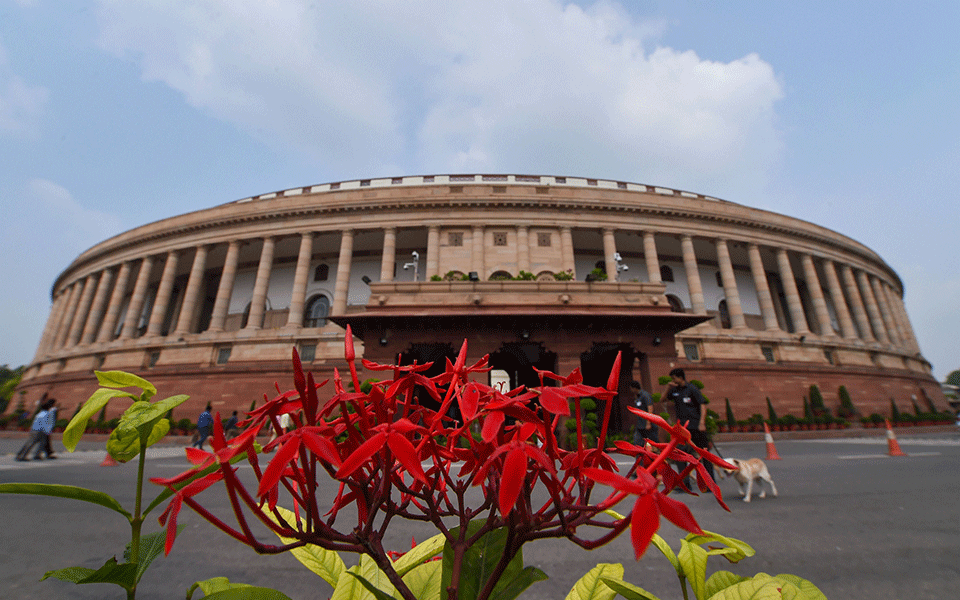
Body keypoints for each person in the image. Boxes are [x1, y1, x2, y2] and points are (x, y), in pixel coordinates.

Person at [664, 368, 714, 481]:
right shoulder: (674, 390)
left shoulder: (692, 389)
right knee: (680, 454)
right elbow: (663, 399)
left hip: (696, 426)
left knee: (704, 454)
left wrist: (702, 423)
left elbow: (702, 405)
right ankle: (684, 483)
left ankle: (710, 483)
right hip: (682, 428)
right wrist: (668, 387)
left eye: (674, 378)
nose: (673, 380)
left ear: (680, 377)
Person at [630, 381, 656, 445]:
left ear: (634, 388)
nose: (631, 390)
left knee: (652, 444)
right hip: (640, 425)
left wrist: (648, 423)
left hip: (648, 425)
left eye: (631, 388)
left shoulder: (645, 395)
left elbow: (650, 409)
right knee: (637, 442)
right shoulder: (637, 397)